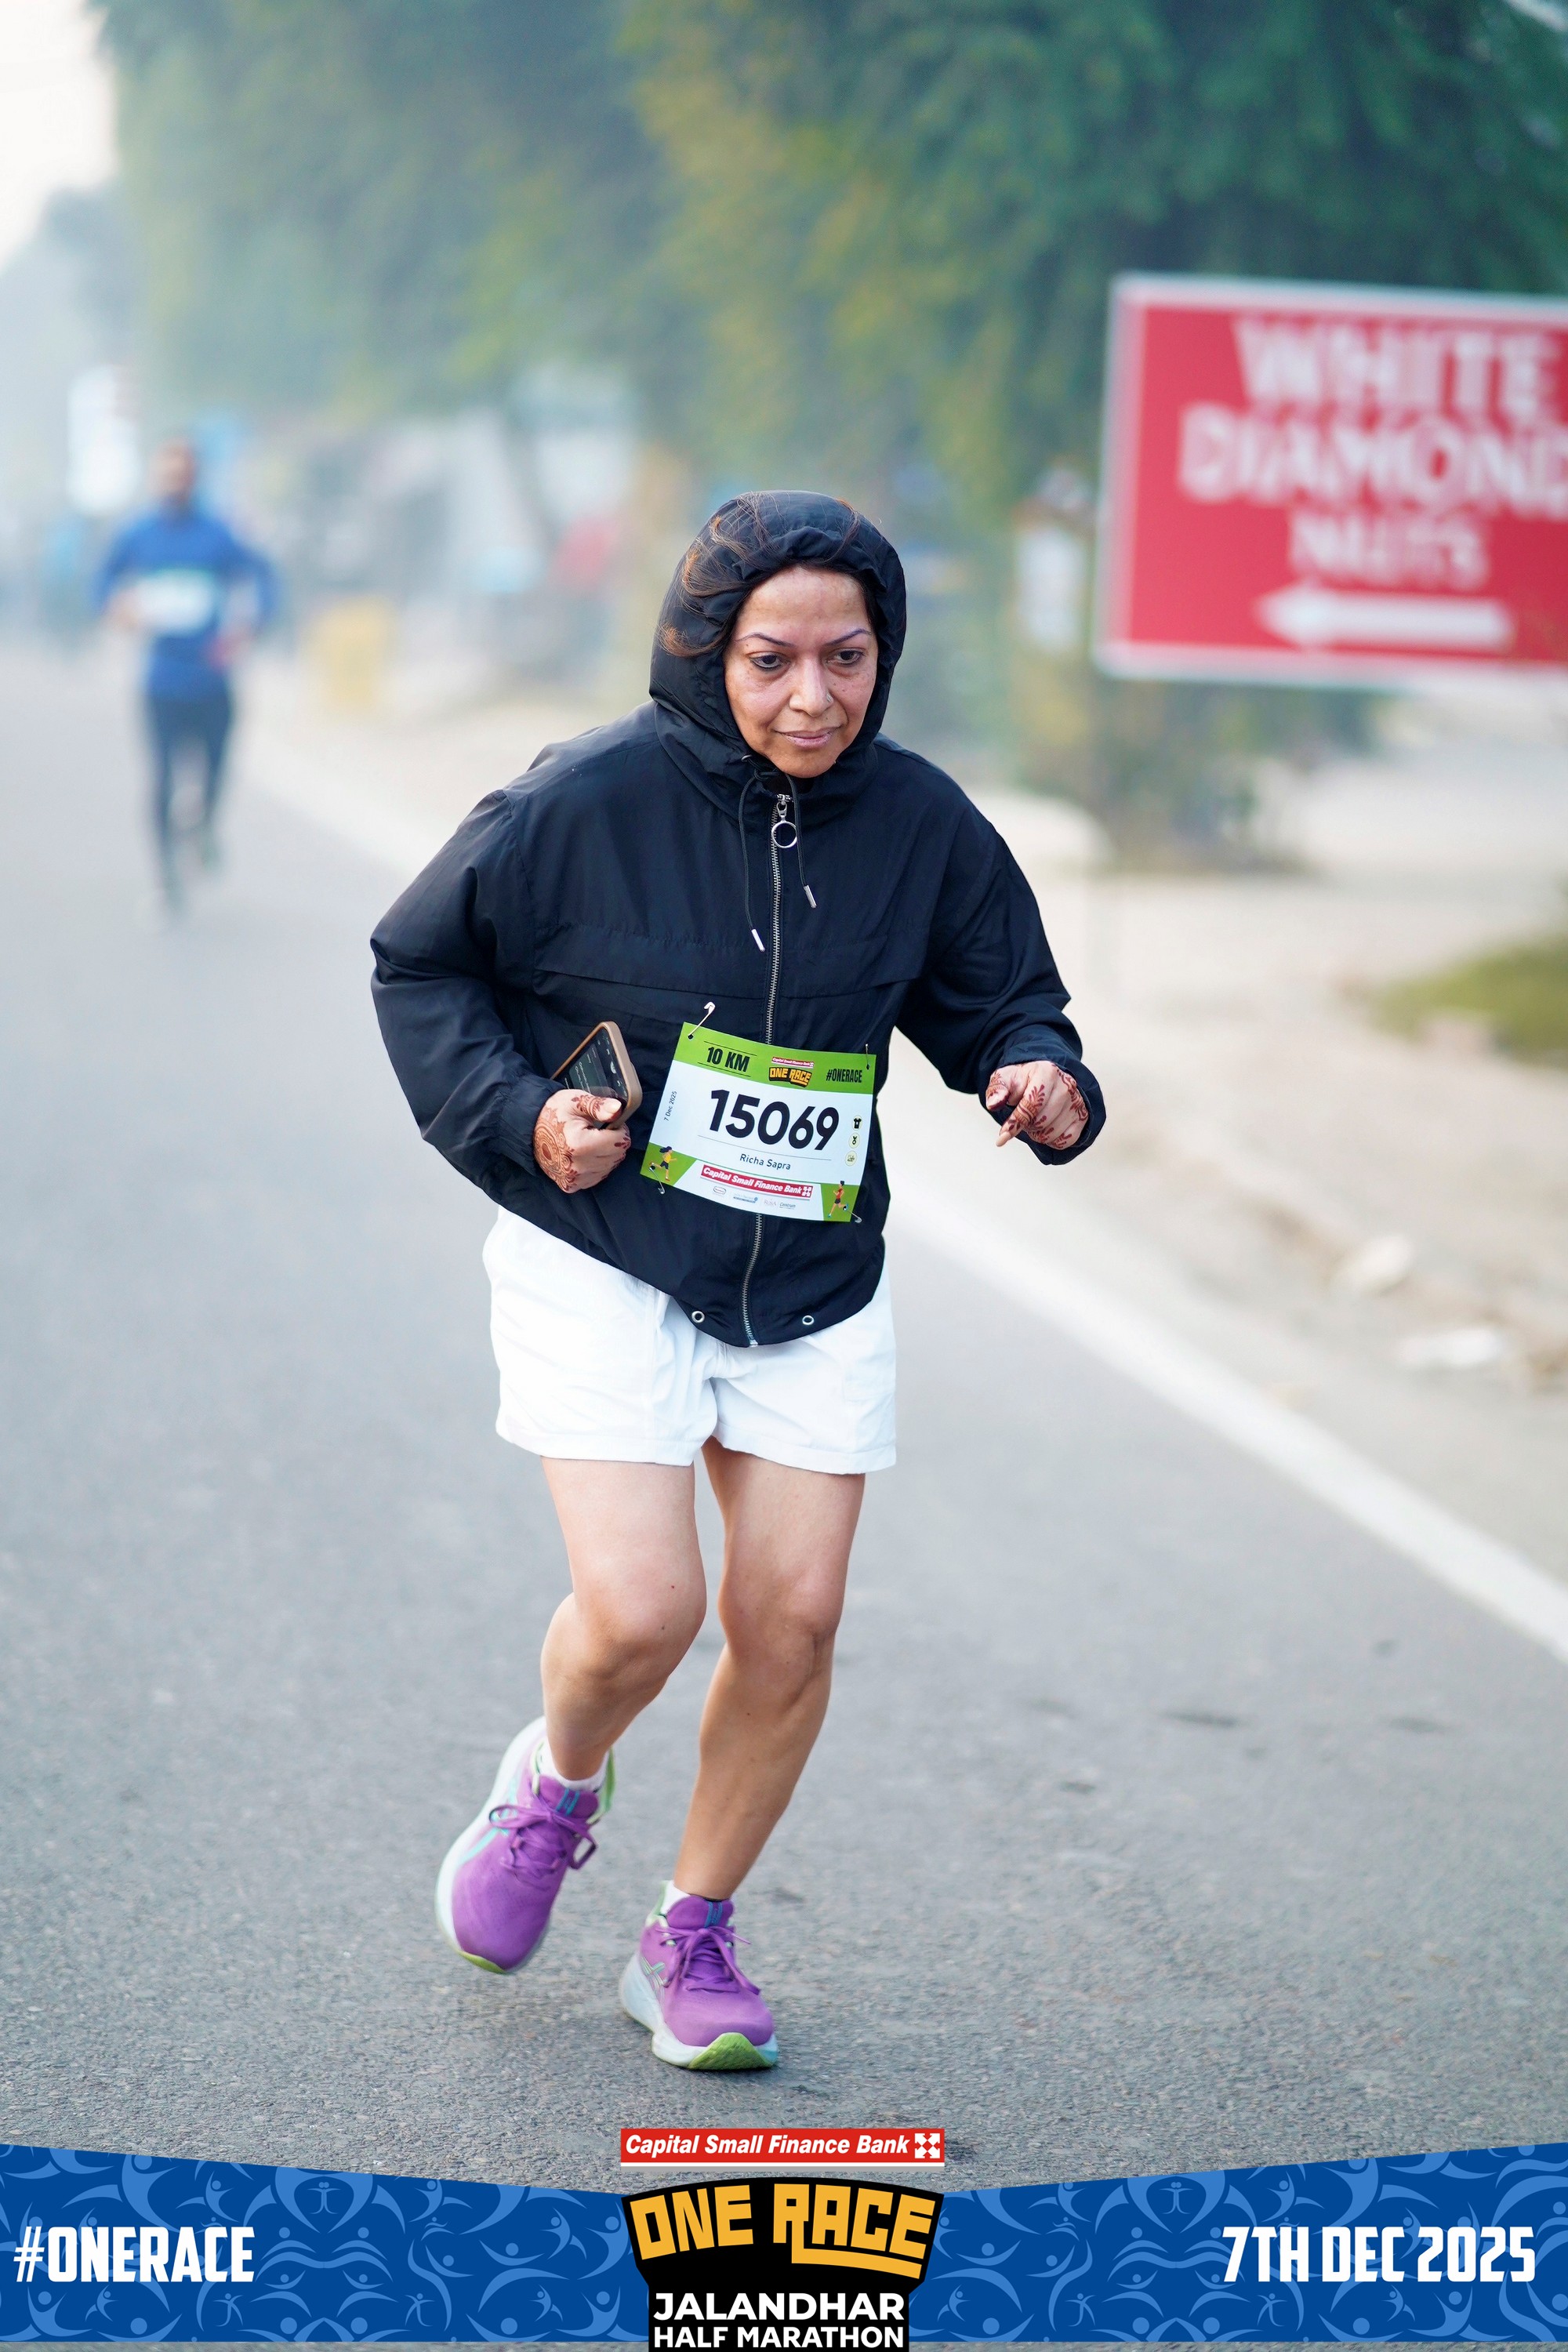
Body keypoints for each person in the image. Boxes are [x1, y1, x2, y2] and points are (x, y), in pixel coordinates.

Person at [370, 492, 1104, 2071]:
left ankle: (688, 1932)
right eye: (772, 660)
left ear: (885, 657)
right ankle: (556, 1786)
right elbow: (421, 962)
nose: (813, 697)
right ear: (707, 652)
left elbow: (1006, 1001)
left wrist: (1042, 1075)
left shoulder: (920, 824)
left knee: (795, 1620)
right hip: (607, 1251)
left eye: (848, 658)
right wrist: (522, 1116)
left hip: (811, 1273)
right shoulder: (582, 800)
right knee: (643, 1614)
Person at [95, 437, 277, 909]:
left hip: (211, 679)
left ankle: (205, 825)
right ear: (156, 478)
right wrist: (116, 608)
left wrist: (250, 626)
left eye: (184, 473)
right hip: (162, 682)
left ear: (195, 478)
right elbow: (104, 578)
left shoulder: (217, 533)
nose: (176, 482)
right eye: (168, 474)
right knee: (162, 779)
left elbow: (262, 574)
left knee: (214, 773)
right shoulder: (139, 534)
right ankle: (165, 877)